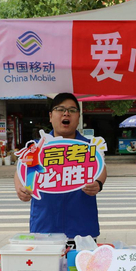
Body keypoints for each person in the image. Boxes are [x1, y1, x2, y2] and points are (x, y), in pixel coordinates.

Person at [14, 93, 106, 238]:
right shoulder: (37, 147)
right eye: (60, 109)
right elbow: (21, 169)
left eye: (72, 110)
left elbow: (101, 168)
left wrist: (98, 183)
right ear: (51, 116)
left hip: (82, 226)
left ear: (78, 117)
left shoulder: (89, 147)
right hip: (45, 224)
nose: (66, 113)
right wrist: (20, 188)